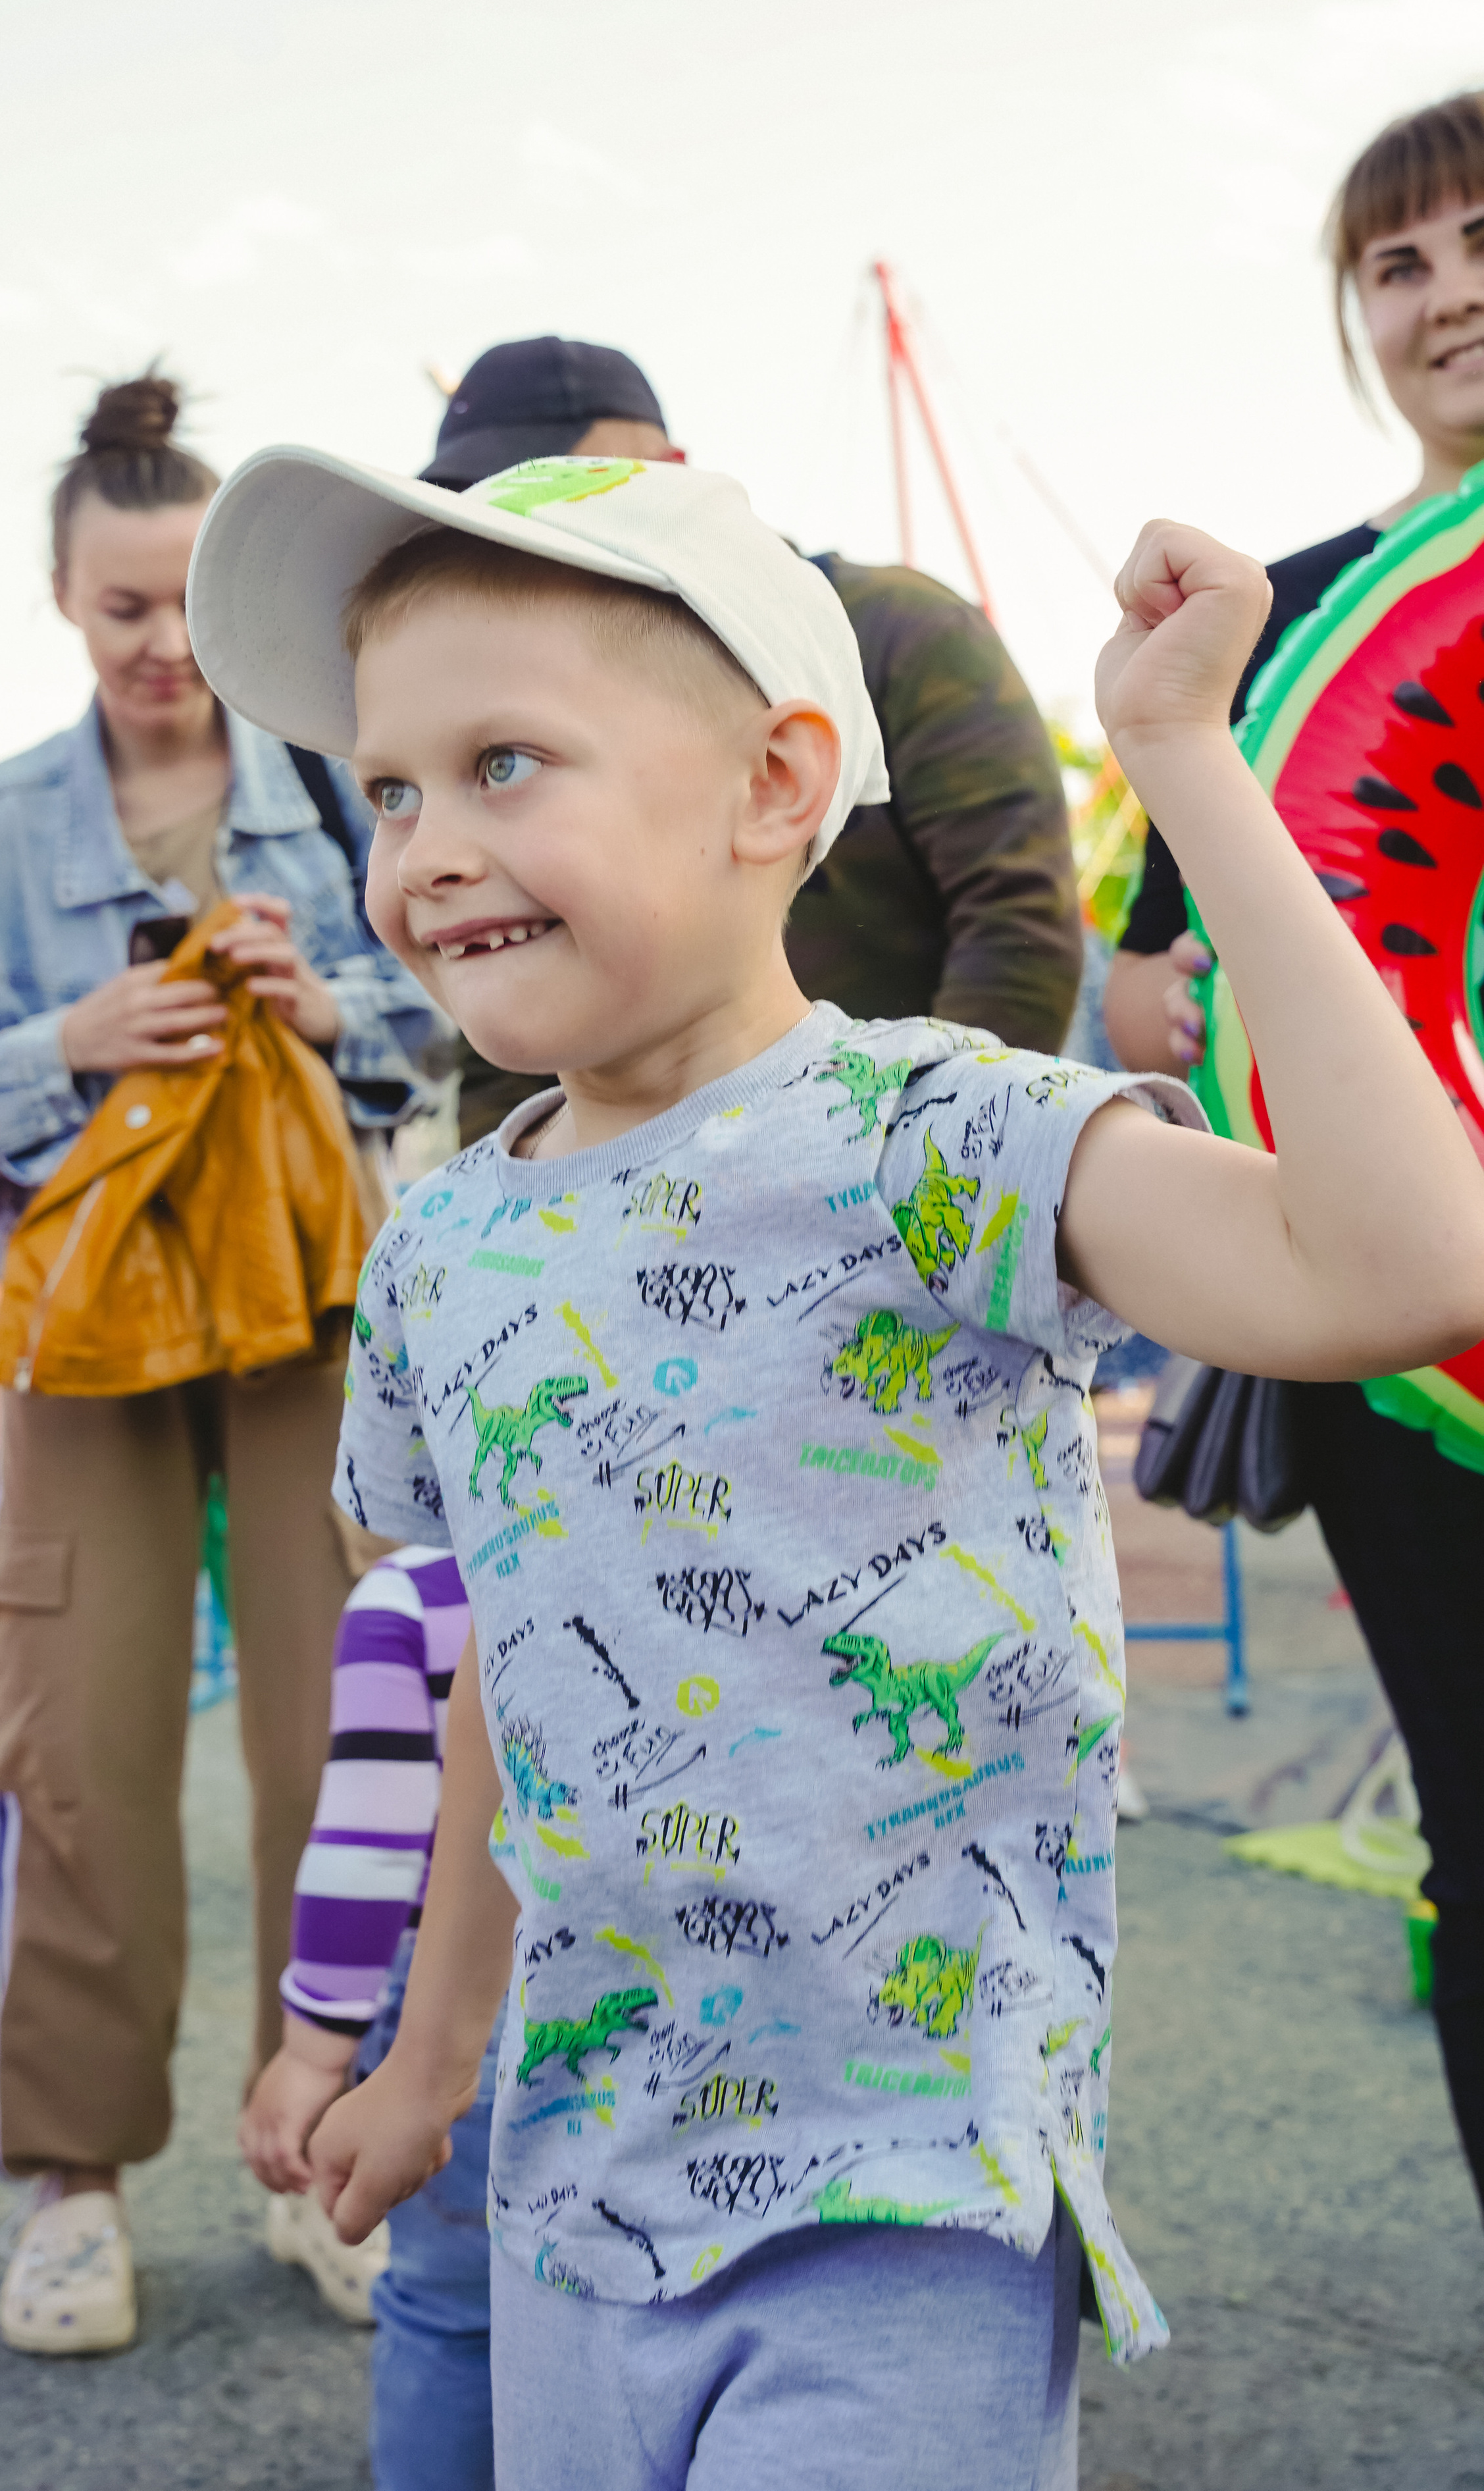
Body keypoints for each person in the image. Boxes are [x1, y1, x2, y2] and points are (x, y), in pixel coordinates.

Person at [182, 438, 1484, 2488]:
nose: (425, 843)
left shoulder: (933, 1136)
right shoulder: (442, 1240)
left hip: (905, 2190)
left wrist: (1184, 760)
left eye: (506, 759)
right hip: (575, 2188)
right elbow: (502, 1682)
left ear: (778, 787)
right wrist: (422, 2056)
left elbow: (1407, 1263)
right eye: (392, 784)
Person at [0, 373, 456, 2356]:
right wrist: (66, 1045)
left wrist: (331, 998)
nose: (164, 644)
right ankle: (72, 2188)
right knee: (73, 1752)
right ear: (56, 602)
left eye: (191, 600)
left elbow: (459, 996)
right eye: (121, 609)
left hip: (312, 1315)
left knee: (343, 1742)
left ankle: (333, 2154)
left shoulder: (346, 779)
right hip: (81, 1332)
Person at [1103, 91, 1484, 2211]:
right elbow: (1144, 966)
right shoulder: (1290, 618)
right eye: (1396, 264)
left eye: (1479, 239)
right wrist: (1185, 1010)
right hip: (1418, 1375)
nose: (1450, 295)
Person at [421, 336, 1083, 1139]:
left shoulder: (901, 635)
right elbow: (511, 984)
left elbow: (1016, 929)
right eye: (484, 500)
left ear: (673, 464)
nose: (524, 519)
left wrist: (916, 1167)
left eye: (563, 476)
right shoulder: (515, 710)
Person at [242, 1548, 497, 2491]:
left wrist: (312, 2053)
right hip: (614, 1992)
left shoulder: (411, 1599)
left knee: (449, 2311)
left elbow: (370, 1839)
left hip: (452, 2029)